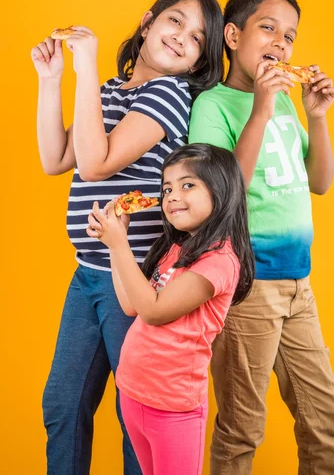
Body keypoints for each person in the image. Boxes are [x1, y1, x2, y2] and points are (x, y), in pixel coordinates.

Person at [31, 0, 224, 475]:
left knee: (134, 413)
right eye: (175, 21)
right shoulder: (111, 93)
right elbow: (56, 159)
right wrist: (52, 80)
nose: (183, 37)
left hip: (132, 280)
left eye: (199, 39)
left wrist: (86, 62)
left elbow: (95, 165)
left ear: (197, 62)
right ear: (147, 22)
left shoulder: (169, 95)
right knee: (64, 406)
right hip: (87, 277)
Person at [189, 0, 334, 474]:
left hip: (299, 286)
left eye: (291, 36)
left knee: (325, 418)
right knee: (242, 427)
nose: (281, 42)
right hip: (248, 287)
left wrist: (316, 117)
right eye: (268, 28)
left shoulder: (284, 104)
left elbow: (319, 182)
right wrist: (259, 106)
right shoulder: (213, 106)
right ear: (233, 35)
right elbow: (220, 195)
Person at [86, 143, 255, 475]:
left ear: (221, 191)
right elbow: (131, 305)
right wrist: (116, 242)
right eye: (167, 188)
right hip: (134, 393)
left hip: (174, 407)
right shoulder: (177, 249)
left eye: (187, 184)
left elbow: (154, 311)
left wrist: (118, 244)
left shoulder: (220, 261)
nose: (172, 196)